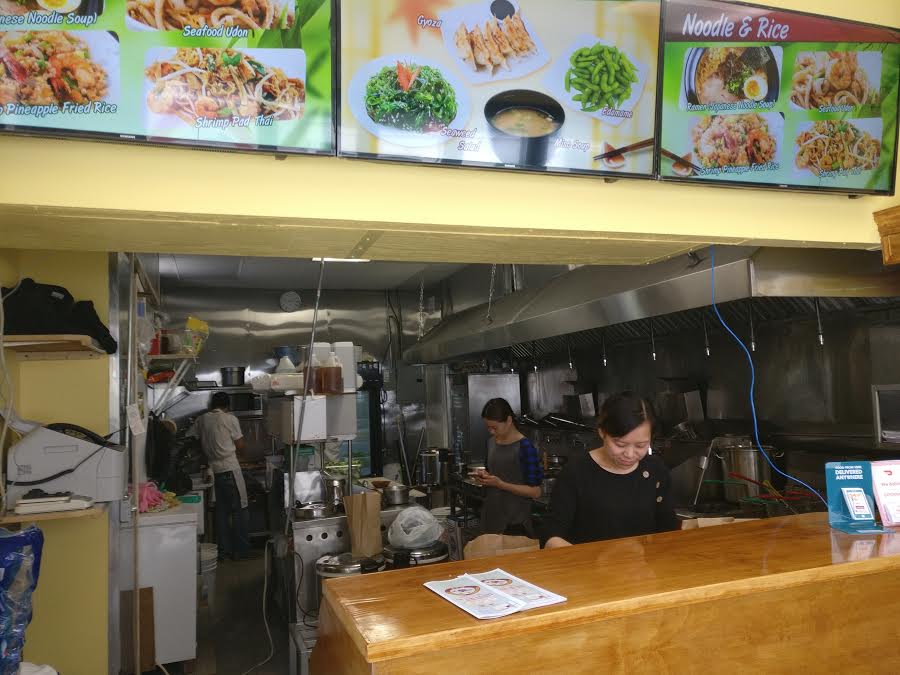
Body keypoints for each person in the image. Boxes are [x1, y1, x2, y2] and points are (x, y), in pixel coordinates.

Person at [543, 391, 678, 549]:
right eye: (620, 444)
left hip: (643, 564)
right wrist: (587, 559)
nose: (629, 454)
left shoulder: (656, 470)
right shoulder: (577, 472)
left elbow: (668, 530)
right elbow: (551, 535)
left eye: (640, 445)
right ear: (602, 432)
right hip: (590, 563)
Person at [189, 392, 250, 561]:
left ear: (212, 405)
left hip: (214, 472)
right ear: (227, 406)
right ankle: (241, 552)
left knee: (221, 514)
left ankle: (223, 552)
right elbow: (240, 444)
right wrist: (242, 456)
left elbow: (191, 438)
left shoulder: (202, 419)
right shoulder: (229, 419)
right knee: (240, 511)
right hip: (230, 469)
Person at [474, 398, 543, 536]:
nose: (491, 431)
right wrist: (484, 476)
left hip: (515, 522)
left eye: (494, 427)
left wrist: (501, 484)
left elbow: (535, 492)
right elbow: (494, 472)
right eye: (488, 427)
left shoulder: (525, 447)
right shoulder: (491, 443)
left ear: (509, 420)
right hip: (491, 517)